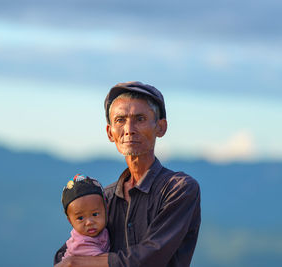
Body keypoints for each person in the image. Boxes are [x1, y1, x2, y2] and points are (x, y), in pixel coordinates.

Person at [54, 81, 201, 267]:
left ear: (160, 127)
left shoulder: (179, 189)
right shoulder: (105, 198)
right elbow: (64, 256)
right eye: (120, 120)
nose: (129, 129)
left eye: (140, 119)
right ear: (110, 133)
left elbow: (151, 257)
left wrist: (80, 262)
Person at [60, 174, 110, 259]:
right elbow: (102, 261)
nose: (89, 222)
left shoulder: (102, 232)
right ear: (70, 221)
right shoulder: (81, 243)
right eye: (80, 218)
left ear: (106, 210)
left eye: (95, 214)